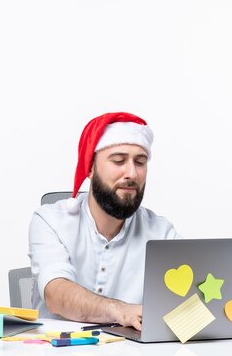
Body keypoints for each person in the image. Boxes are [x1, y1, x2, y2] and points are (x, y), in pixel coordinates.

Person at [28, 112, 180, 330]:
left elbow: (197, 290)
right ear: (90, 168)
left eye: (140, 162)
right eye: (118, 160)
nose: (132, 173)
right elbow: (56, 294)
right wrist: (120, 310)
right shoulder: (50, 220)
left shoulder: (162, 233)